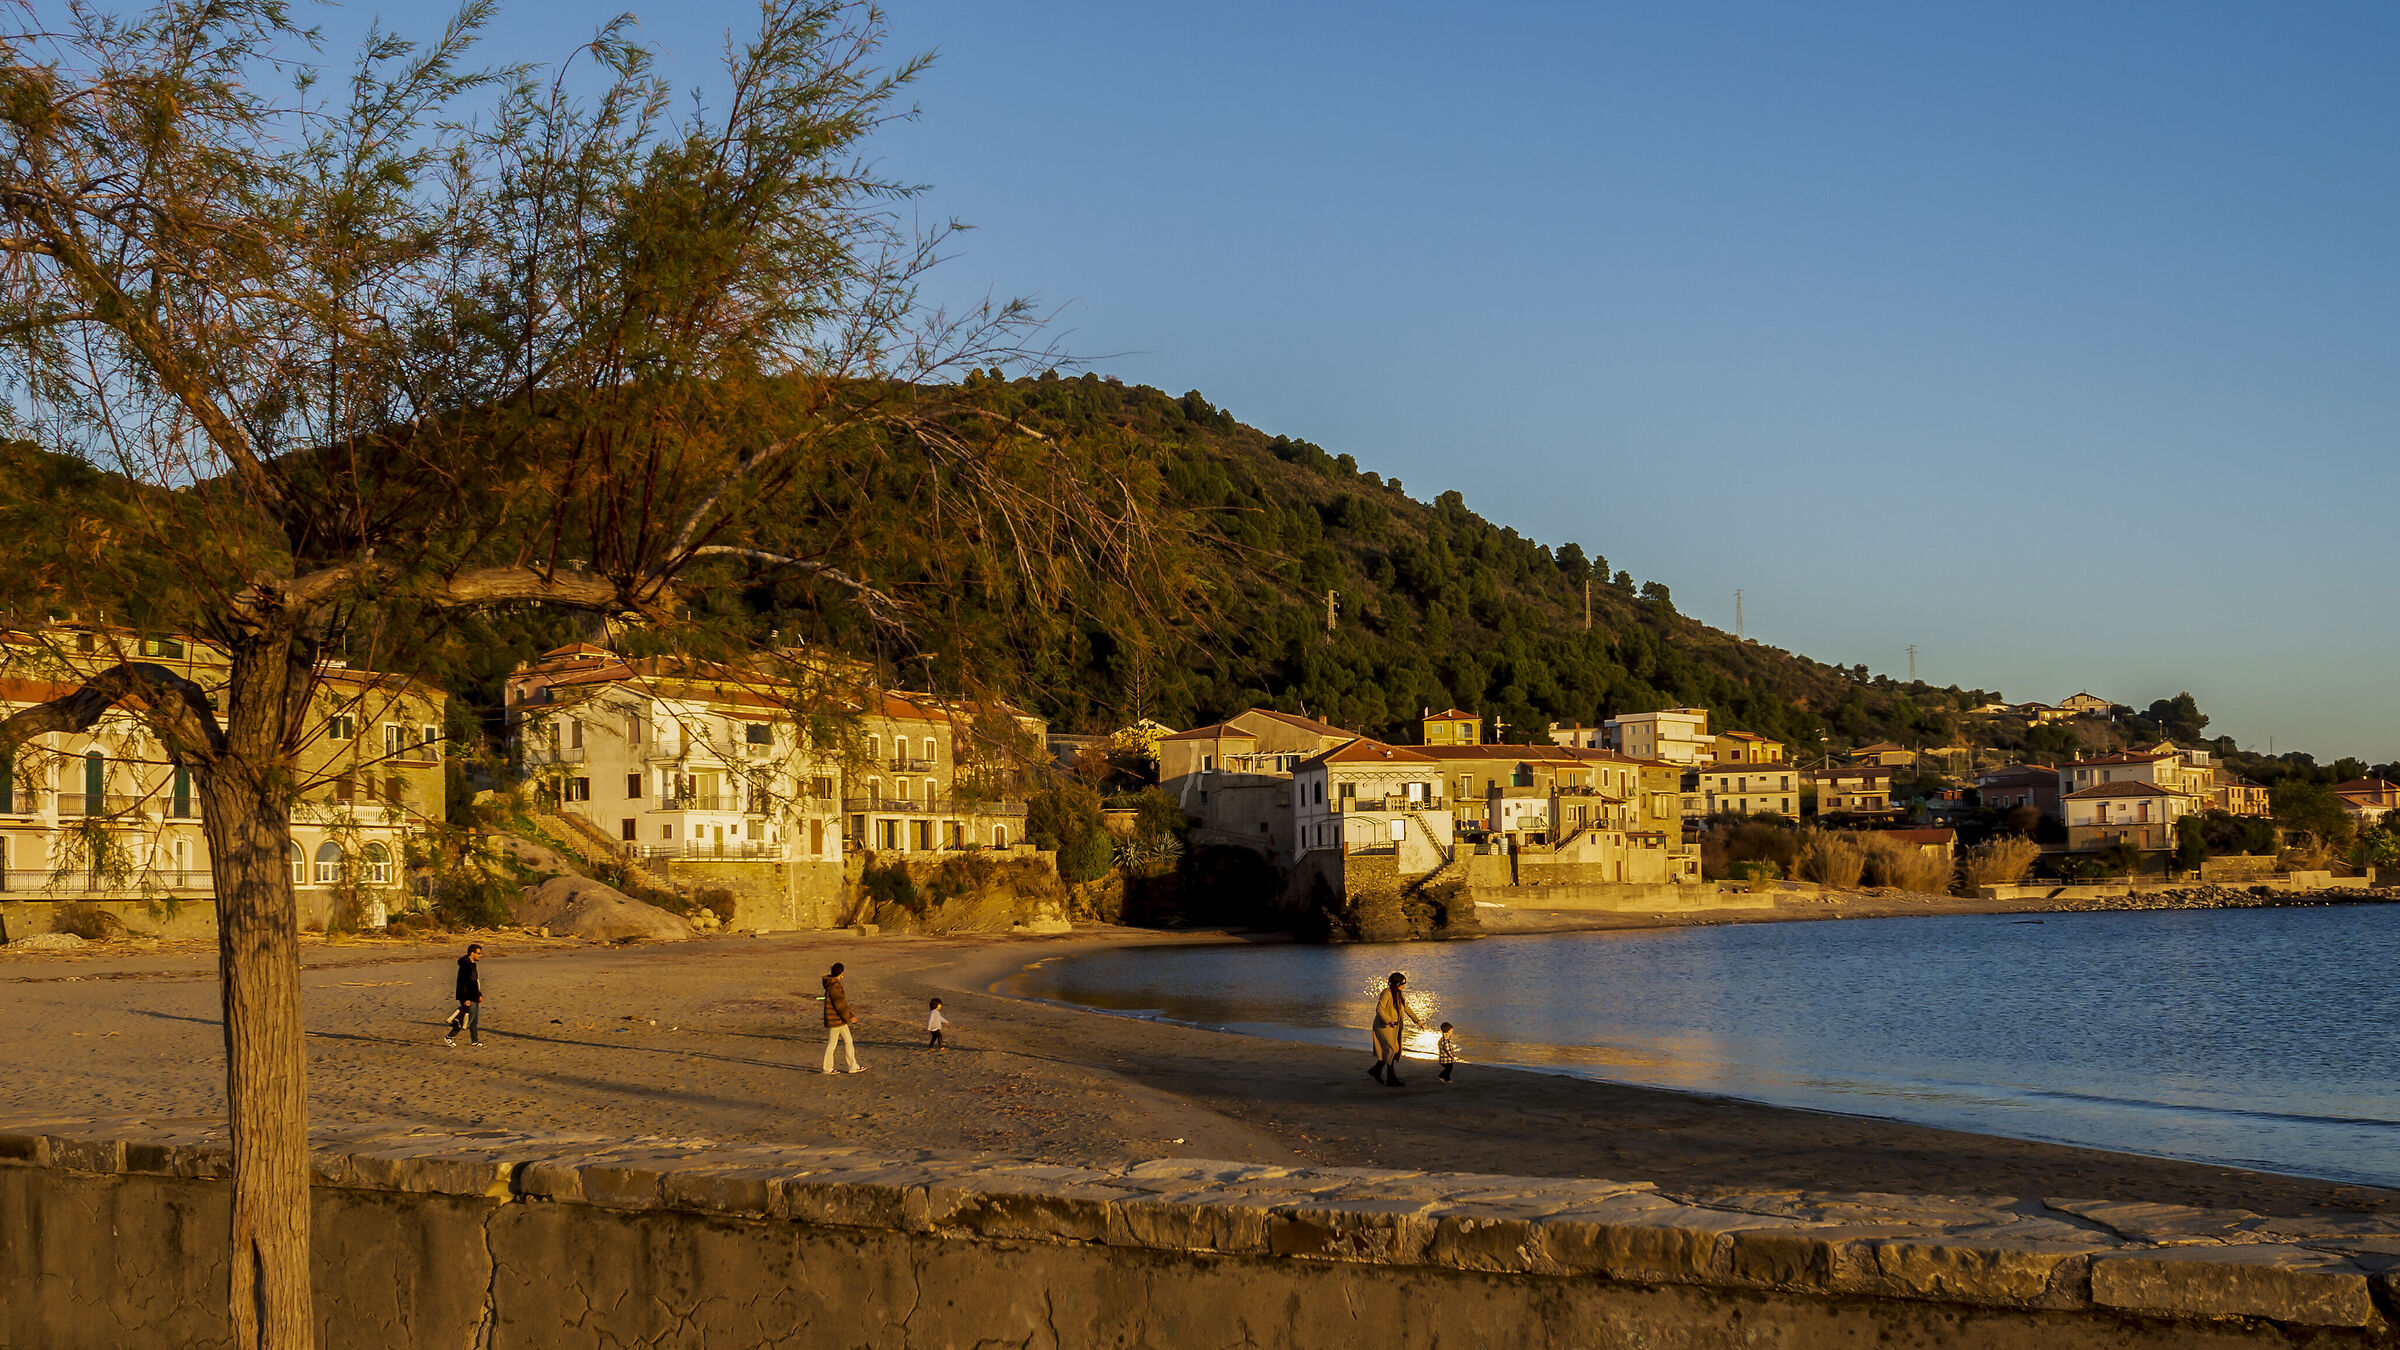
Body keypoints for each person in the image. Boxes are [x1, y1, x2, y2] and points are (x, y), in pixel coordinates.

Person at [1368, 971, 1423, 1087]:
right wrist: (1389, 1020)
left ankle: (1377, 1070)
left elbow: (1406, 1007)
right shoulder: (1386, 993)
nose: (1404, 985)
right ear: (1396, 983)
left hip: (1395, 1027)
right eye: (1402, 983)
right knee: (1393, 1049)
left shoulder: (1399, 993)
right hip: (1384, 1026)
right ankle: (1390, 1078)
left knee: (1392, 1051)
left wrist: (1417, 1020)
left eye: (1405, 983)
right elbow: (1379, 1009)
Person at [821, 961, 863, 1074]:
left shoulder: (832, 983)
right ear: (842, 973)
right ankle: (828, 1068)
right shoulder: (835, 985)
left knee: (848, 1041)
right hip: (836, 1020)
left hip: (839, 1020)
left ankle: (853, 1066)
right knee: (833, 1043)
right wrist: (850, 1017)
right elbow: (840, 1005)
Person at [444, 943, 483, 1048]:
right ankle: (449, 1036)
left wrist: (479, 994)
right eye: (478, 953)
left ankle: (475, 1041)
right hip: (468, 997)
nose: (480, 955)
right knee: (464, 1019)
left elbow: (475, 982)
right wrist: (466, 999)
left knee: (474, 1020)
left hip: (474, 996)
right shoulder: (465, 966)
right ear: (472, 953)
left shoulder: (472, 964)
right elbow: (463, 983)